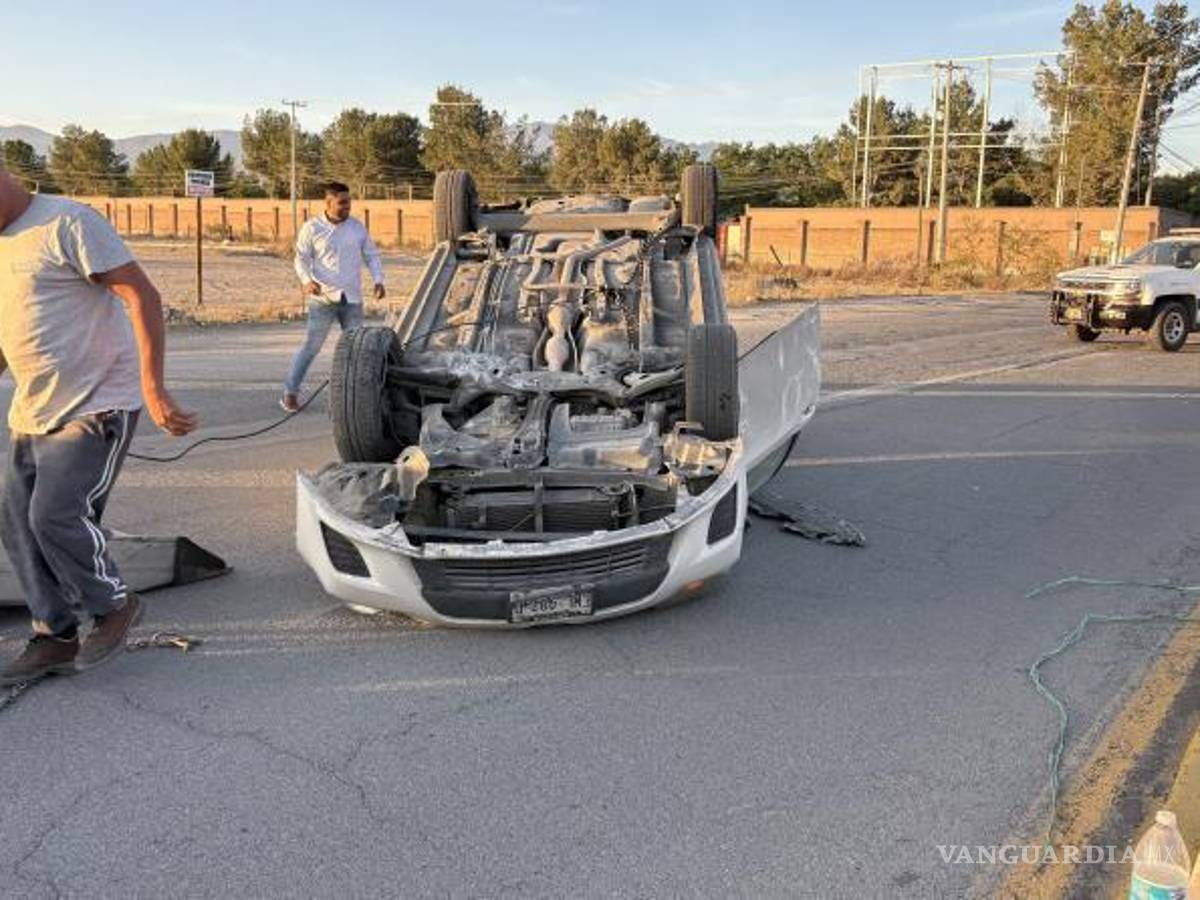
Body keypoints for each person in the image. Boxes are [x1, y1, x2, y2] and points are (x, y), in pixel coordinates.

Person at [0, 166, 197, 686]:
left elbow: (142, 297)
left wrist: (154, 389)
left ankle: (114, 607)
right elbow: (13, 331)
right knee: (16, 520)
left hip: (99, 403)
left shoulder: (68, 222)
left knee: (55, 515)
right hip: (33, 408)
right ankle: (55, 635)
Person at [281, 182, 386, 412]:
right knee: (312, 347)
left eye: (349, 202)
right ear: (328, 203)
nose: (348, 206)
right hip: (323, 299)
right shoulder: (312, 227)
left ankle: (355, 399)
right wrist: (307, 280)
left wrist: (379, 280)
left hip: (352, 300)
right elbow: (301, 258)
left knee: (356, 350)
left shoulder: (357, 228)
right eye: (342, 203)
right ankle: (290, 393)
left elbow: (371, 255)